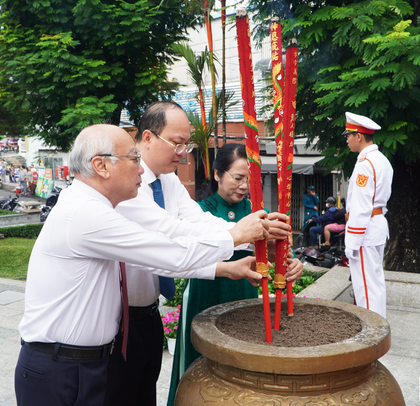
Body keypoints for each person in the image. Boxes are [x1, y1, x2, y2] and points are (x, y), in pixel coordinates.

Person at [15, 124, 272, 406]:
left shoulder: (96, 205)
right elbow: (169, 253)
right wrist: (237, 235)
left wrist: (229, 262)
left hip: (84, 362)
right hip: (60, 367)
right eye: (134, 158)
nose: (141, 169)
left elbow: (167, 253)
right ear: (101, 165)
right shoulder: (86, 214)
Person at [106, 101, 292, 406]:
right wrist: (240, 235)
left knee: (142, 393)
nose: (183, 152)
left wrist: (255, 238)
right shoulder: (129, 185)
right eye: (177, 143)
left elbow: (198, 222)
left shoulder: (168, 181)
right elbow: (171, 233)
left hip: (149, 312)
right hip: (120, 320)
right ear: (148, 138)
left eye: (186, 143)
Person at [166, 143, 304, 405]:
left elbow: (281, 250)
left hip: (244, 296)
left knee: (240, 372)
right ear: (217, 174)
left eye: (248, 180)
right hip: (205, 294)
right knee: (196, 370)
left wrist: (291, 263)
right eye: (237, 178)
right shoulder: (200, 212)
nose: (243, 186)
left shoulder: (256, 211)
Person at [343, 112, 393, 318]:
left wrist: (351, 242)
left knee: (366, 287)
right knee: (374, 282)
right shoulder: (381, 160)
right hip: (376, 224)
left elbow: (361, 207)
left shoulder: (366, 164)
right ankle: (378, 328)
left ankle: (371, 333)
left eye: (348, 135)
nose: (346, 139)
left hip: (366, 230)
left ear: (359, 136)